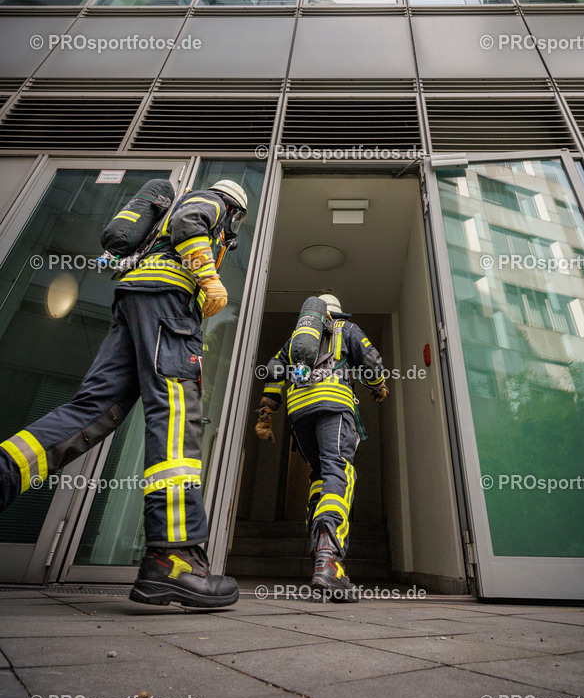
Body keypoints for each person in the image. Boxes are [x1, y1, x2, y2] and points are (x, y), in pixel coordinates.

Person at [0, 179, 248, 610]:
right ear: (237, 209)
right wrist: (208, 279)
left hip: (133, 297)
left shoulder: (163, 223)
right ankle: (174, 556)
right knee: (174, 413)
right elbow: (191, 221)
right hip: (168, 303)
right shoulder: (213, 201)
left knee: (94, 410)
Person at [255, 292, 387, 600]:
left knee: (319, 476)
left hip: (299, 413)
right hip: (332, 404)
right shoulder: (345, 330)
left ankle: (318, 551)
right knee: (339, 472)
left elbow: (275, 371)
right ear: (336, 315)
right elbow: (371, 360)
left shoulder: (294, 341)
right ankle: (329, 560)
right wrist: (378, 385)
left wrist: (267, 414)